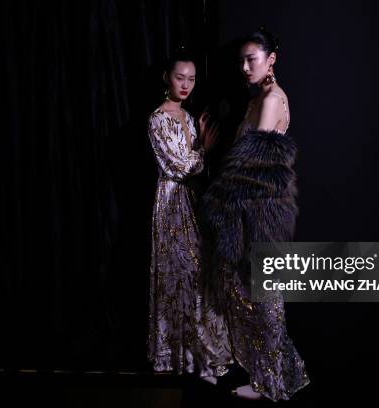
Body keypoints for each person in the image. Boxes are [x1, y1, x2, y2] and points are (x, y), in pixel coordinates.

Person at [200, 28, 311, 401]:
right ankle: (265, 376)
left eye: (253, 59)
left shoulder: (272, 100)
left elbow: (251, 165)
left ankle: (274, 384)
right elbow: (239, 157)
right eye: (242, 61)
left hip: (260, 209)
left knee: (265, 299)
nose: (246, 67)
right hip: (245, 207)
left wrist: (224, 201)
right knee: (245, 293)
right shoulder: (256, 99)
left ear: (271, 58)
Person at [146, 49, 233, 384]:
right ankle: (179, 356)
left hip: (193, 201)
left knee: (198, 276)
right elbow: (179, 166)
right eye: (180, 77)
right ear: (166, 77)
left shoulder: (190, 114)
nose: (186, 84)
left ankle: (200, 354)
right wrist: (204, 152)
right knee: (177, 274)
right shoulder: (157, 118)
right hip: (171, 202)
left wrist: (201, 148)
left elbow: (193, 164)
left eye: (191, 79)